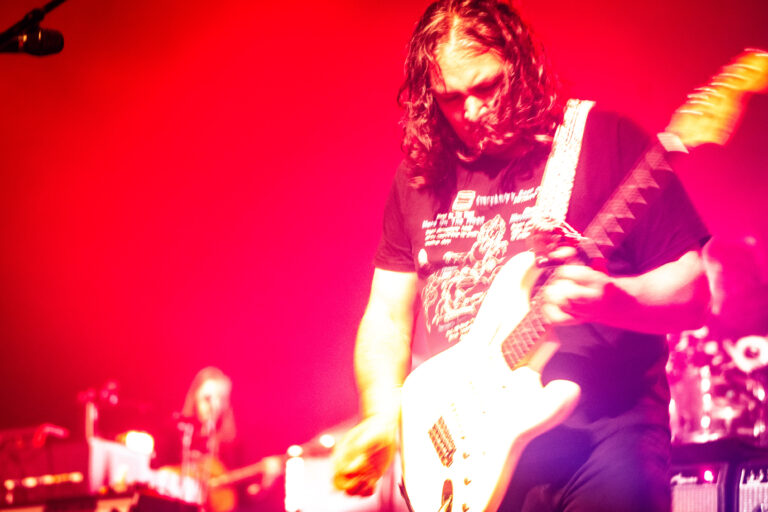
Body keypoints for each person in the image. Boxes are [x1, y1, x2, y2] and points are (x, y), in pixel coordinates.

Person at [331, 1, 711, 511]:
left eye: (486, 87)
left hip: (601, 440)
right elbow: (387, 317)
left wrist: (616, 296)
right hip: (466, 458)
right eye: (450, 98)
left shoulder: (605, 140)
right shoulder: (419, 177)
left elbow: (693, 291)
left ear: (520, 64)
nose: (470, 111)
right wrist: (380, 415)